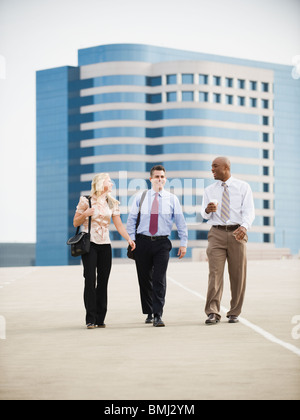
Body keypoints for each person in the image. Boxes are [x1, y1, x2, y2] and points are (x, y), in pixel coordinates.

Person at [127, 165, 188, 327]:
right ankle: (148, 311)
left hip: (162, 243)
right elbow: (131, 220)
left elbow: (181, 222)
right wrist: (132, 240)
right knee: (144, 279)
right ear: (151, 179)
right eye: (157, 177)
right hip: (142, 242)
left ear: (165, 179)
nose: (160, 179)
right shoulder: (140, 197)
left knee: (159, 279)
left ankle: (157, 314)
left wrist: (183, 243)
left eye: (162, 176)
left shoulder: (172, 199)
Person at [73, 173, 135, 329]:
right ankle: (90, 318)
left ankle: (100, 318)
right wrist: (85, 214)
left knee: (103, 281)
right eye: (110, 181)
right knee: (89, 280)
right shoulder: (85, 200)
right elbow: (75, 222)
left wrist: (128, 238)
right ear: (101, 183)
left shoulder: (112, 202)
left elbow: (119, 224)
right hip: (90, 244)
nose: (112, 184)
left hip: (105, 244)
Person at [201, 157, 255, 325]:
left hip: (237, 233)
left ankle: (234, 312)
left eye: (215, 166)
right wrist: (207, 210)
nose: (212, 170)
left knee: (238, 275)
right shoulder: (209, 190)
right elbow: (204, 214)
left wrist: (244, 227)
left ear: (226, 168)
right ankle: (212, 312)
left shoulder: (243, 187)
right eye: (211, 167)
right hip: (216, 233)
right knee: (214, 274)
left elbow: (249, 211)